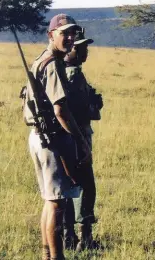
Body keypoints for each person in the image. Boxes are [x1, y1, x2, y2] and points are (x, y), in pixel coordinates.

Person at [24, 13, 92, 260]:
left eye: (72, 33)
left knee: (49, 200)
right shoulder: (53, 63)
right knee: (57, 204)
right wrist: (81, 142)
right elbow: (60, 110)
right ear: (51, 34)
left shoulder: (40, 59)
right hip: (51, 139)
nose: (70, 38)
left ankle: (46, 254)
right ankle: (56, 256)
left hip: (37, 137)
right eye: (64, 33)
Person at [62, 28, 102, 251]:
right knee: (86, 186)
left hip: (63, 138)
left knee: (67, 186)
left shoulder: (57, 70)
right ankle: (84, 239)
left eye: (86, 48)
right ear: (69, 49)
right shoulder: (74, 73)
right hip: (78, 136)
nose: (85, 52)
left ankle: (67, 236)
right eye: (80, 48)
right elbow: (82, 110)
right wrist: (95, 104)